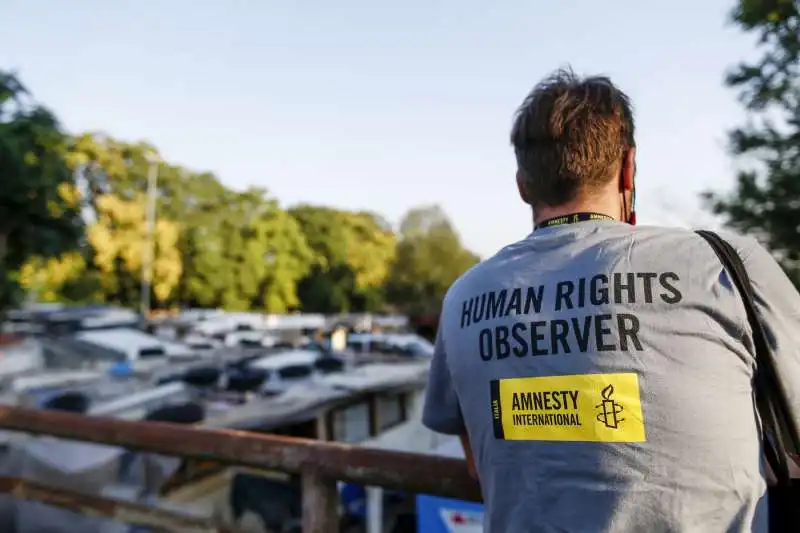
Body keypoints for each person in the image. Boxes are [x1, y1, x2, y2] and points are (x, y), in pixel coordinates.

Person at [422, 68, 800, 532]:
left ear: (522, 184)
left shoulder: (463, 296)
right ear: (628, 168)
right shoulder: (726, 264)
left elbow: (480, 461)